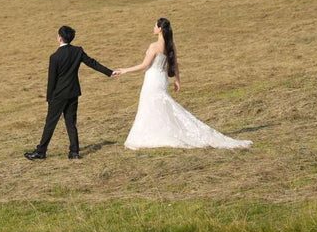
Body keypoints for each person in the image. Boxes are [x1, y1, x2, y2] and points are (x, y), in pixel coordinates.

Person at [112, 17, 251, 150]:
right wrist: (177, 80)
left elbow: (144, 65)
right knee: (159, 106)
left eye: (155, 25)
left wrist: (125, 70)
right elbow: (175, 65)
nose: (153, 28)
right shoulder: (170, 46)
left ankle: (147, 136)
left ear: (160, 29)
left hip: (152, 79)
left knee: (149, 106)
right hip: (162, 80)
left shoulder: (154, 46)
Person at [24, 25, 113, 160]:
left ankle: (41, 151)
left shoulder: (55, 57)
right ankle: (74, 152)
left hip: (58, 95)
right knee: (71, 123)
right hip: (73, 92)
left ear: (60, 38)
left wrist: (49, 99)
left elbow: (51, 80)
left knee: (50, 123)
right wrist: (109, 72)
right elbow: (92, 63)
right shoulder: (78, 51)